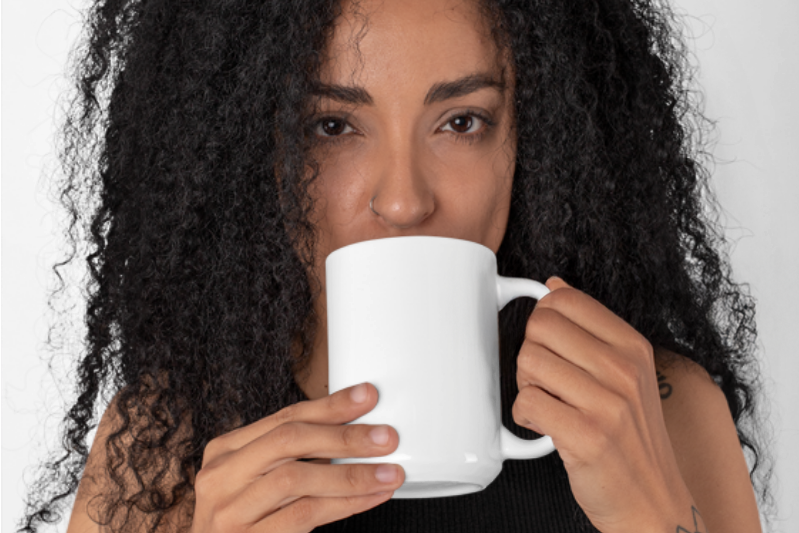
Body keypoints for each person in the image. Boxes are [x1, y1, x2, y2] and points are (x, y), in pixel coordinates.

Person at [18, 0, 772, 532]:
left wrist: (656, 520)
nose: (404, 199)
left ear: (530, 142)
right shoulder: (162, 446)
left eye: (462, 121)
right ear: (258, 151)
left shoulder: (665, 410)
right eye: (333, 125)